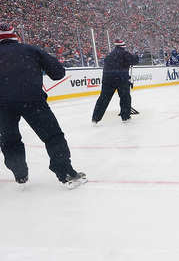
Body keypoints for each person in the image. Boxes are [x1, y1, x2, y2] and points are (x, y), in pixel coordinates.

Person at [0, 23, 86, 188]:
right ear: (14, 36)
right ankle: (65, 173)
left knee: (9, 140)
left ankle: (20, 173)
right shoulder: (30, 50)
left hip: (3, 105)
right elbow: (58, 72)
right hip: (33, 101)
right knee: (53, 136)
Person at [91, 39, 139, 124]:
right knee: (125, 98)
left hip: (107, 79)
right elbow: (134, 61)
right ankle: (125, 116)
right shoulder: (125, 53)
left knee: (103, 99)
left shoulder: (109, 55)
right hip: (121, 79)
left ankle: (95, 118)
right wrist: (136, 55)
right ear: (123, 46)